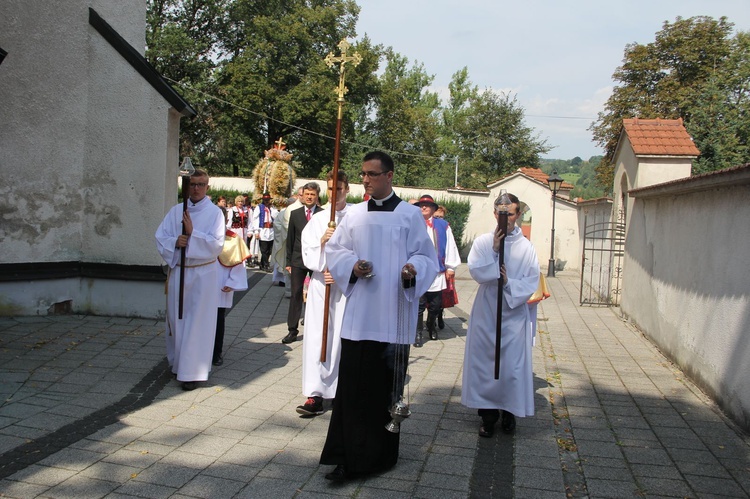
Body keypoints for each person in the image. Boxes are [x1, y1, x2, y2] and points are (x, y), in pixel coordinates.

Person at [320, 151, 438, 481]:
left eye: (372, 174)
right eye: (363, 175)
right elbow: (337, 251)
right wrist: (352, 267)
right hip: (360, 319)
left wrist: (413, 268)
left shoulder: (410, 216)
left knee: (385, 392)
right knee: (353, 391)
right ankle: (345, 457)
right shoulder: (355, 215)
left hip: (394, 318)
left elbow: (427, 256)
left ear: (389, 176)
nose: (366, 180)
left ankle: (381, 457)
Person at [461, 192, 540, 437]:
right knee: (485, 363)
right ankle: (487, 416)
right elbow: (476, 271)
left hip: (513, 313)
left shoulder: (527, 247)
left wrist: (508, 284)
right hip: (487, 310)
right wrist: (495, 252)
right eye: (501, 213)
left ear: (518, 214)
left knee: (511, 366)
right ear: (495, 214)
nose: (506, 218)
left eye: (511, 213)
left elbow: (531, 281)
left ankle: (509, 414)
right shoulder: (484, 242)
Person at [155, 169, 225, 391]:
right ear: (186, 187)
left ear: (207, 187)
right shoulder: (176, 211)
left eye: (201, 184)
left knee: (197, 323)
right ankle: (178, 363)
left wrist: (194, 234)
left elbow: (216, 245)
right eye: (192, 184)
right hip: (179, 271)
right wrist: (176, 242)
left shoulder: (215, 214)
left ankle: (193, 372)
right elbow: (160, 237)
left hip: (203, 274)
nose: (196, 188)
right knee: (178, 319)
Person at [295, 172, 351, 416]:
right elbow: (306, 252)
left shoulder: (356, 216)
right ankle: (315, 393)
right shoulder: (318, 220)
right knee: (319, 337)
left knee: (343, 338)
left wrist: (342, 271)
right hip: (322, 286)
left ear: (347, 189)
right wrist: (321, 242)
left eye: (338, 188)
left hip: (348, 288)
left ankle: (342, 392)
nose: (334, 193)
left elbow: (362, 251)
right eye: (330, 188)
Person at [413, 194, 460, 347]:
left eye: (427, 205)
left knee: (435, 305)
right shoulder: (411, 223)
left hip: (437, 272)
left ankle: (431, 325)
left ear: (433, 209)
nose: (424, 207)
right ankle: (418, 333)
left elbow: (450, 245)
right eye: (421, 205)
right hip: (417, 271)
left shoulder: (443, 225)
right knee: (419, 305)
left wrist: (450, 266)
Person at [283, 182, 322, 344]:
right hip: (298, 260)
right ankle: (292, 329)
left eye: (312, 194)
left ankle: (317, 328)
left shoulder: (322, 214)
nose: (309, 197)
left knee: (317, 294)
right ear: (302, 195)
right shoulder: (296, 214)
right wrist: (288, 261)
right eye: (307, 194)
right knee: (296, 294)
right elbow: (290, 238)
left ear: (317, 196)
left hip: (317, 260)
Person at [213, 215, 250, 367]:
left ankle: (216, 352)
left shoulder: (233, 240)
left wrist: (232, 281)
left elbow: (238, 263)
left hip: (221, 285)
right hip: (202, 284)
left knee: (218, 318)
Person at [251, 192, 278, 271]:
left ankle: (262, 264)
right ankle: (266, 265)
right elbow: (255, 219)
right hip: (262, 230)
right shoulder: (259, 207)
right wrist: (256, 231)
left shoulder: (272, 208)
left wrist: (272, 208)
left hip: (271, 230)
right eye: (265, 200)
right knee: (263, 249)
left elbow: (276, 216)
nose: (267, 201)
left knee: (269, 249)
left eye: (268, 200)